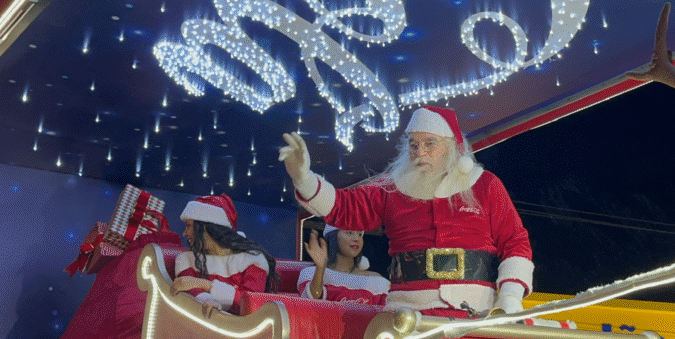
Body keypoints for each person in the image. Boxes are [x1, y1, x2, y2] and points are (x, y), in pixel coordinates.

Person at [279, 106, 533, 317]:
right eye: (413, 145)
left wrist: (510, 295)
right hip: (407, 313)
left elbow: (515, 241)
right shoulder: (391, 190)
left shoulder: (485, 185)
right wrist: (304, 178)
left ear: (450, 146)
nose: (419, 152)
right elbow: (344, 207)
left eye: (429, 143)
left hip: (474, 311)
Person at [170, 193, 279, 314]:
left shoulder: (253, 259)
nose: (185, 233)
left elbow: (250, 304)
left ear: (206, 227)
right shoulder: (186, 259)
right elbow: (191, 290)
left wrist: (205, 284)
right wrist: (208, 300)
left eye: (188, 226)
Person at [299, 225, 389, 305]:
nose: (356, 239)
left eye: (360, 234)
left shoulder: (378, 281)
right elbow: (310, 302)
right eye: (349, 232)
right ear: (333, 236)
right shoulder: (310, 273)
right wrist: (320, 268)